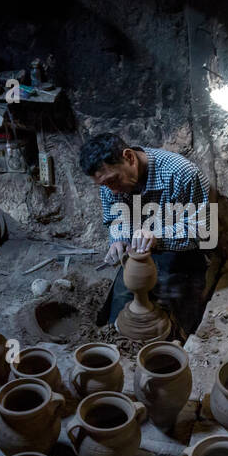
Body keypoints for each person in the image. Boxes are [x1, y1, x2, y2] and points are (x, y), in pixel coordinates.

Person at [79, 133, 213, 339]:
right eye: (104, 185)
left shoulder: (182, 174)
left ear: (129, 157)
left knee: (175, 324)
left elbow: (203, 232)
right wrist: (118, 240)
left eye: (114, 181)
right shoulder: (110, 183)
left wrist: (158, 237)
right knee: (117, 315)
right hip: (140, 252)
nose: (112, 191)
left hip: (183, 252)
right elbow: (115, 219)